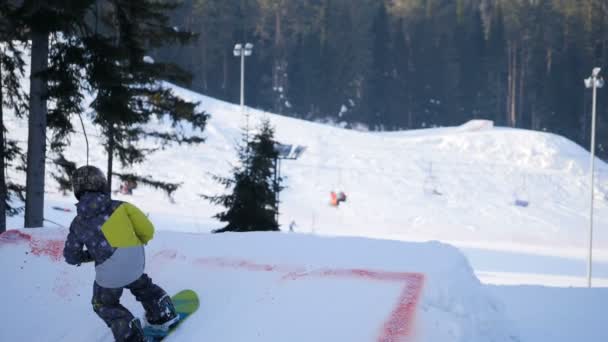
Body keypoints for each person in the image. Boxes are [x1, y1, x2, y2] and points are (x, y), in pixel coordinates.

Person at [63, 166, 178, 342]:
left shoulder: (77, 223)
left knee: (103, 303)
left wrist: (92, 254)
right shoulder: (121, 206)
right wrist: (138, 241)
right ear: (102, 184)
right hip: (134, 260)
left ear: (77, 191)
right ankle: (162, 313)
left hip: (109, 275)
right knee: (141, 284)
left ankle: (129, 333)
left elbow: (71, 256)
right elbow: (148, 230)